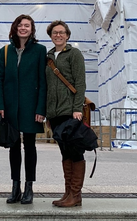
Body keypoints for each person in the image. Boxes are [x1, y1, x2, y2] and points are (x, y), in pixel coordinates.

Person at [0, 14, 46, 205]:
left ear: (32, 29)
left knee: (30, 146)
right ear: (15, 28)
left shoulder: (40, 51)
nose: (23, 28)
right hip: (10, 107)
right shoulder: (5, 51)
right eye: (20, 25)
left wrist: (41, 108)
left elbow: (43, 81)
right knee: (13, 146)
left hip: (31, 106)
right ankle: (15, 187)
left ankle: (29, 186)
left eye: (27, 25)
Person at [45, 20, 86, 208]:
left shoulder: (74, 54)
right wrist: (47, 114)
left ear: (67, 35)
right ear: (51, 35)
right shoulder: (49, 57)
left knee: (75, 152)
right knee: (64, 152)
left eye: (61, 32)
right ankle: (68, 192)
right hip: (54, 113)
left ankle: (76, 194)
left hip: (70, 111)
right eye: (55, 33)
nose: (58, 35)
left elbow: (80, 83)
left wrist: (78, 108)